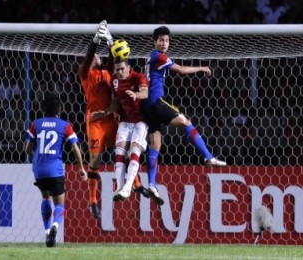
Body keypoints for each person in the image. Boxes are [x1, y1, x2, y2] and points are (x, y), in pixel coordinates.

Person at [143, 26, 227, 205]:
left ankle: (151, 184)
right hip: (157, 101)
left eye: (166, 40)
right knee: (186, 122)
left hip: (147, 106)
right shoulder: (159, 56)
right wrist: (202, 67)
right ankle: (208, 156)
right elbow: (181, 70)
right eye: (160, 40)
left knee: (155, 145)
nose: (163, 43)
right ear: (154, 41)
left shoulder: (151, 57)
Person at [78, 21, 148, 218]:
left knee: (126, 151)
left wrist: (108, 39)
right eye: (94, 57)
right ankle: (92, 202)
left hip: (111, 119)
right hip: (95, 123)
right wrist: (94, 41)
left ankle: (135, 184)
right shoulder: (85, 73)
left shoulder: (109, 72)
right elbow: (89, 56)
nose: (96, 57)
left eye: (99, 56)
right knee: (95, 159)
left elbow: (114, 57)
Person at [25, 93, 87, 247]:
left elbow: (27, 148)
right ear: (60, 109)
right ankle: (55, 226)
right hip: (55, 170)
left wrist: (36, 159)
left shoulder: (36, 124)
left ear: (43, 108)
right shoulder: (64, 125)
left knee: (45, 198)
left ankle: (47, 233)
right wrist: (81, 168)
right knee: (59, 204)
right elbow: (74, 147)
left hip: (39, 170)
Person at [91, 58, 149, 201]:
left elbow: (146, 92)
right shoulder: (115, 81)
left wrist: (136, 95)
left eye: (122, 69)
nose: (120, 72)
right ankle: (119, 188)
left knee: (135, 149)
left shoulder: (138, 77)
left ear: (129, 68)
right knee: (119, 150)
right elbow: (115, 103)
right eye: (117, 70)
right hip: (125, 119)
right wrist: (105, 113)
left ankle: (128, 187)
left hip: (140, 120)